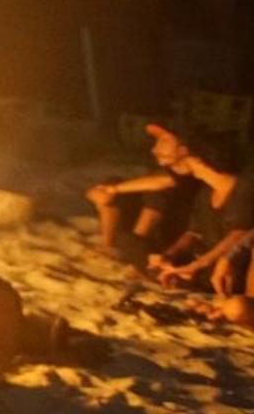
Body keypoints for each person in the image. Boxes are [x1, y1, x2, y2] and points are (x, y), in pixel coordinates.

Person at [85, 124, 201, 267]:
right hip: (154, 232)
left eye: (164, 142)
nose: (154, 149)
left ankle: (135, 248)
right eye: (156, 143)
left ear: (183, 150)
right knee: (115, 184)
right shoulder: (164, 171)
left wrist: (113, 189)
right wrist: (103, 192)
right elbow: (101, 192)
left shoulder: (192, 177)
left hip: (174, 238)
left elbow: (161, 182)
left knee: (156, 193)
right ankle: (109, 246)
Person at [147, 137, 251, 295]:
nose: (182, 161)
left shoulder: (245, 190)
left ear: (200, 160)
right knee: (156, 263)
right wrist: (169, 255)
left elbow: (238, 235)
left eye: (187, 157)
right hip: (208, 261)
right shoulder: (206, 192)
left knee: (207, 276)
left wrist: (198, 265)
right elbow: (193, 232)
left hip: (233, 265)